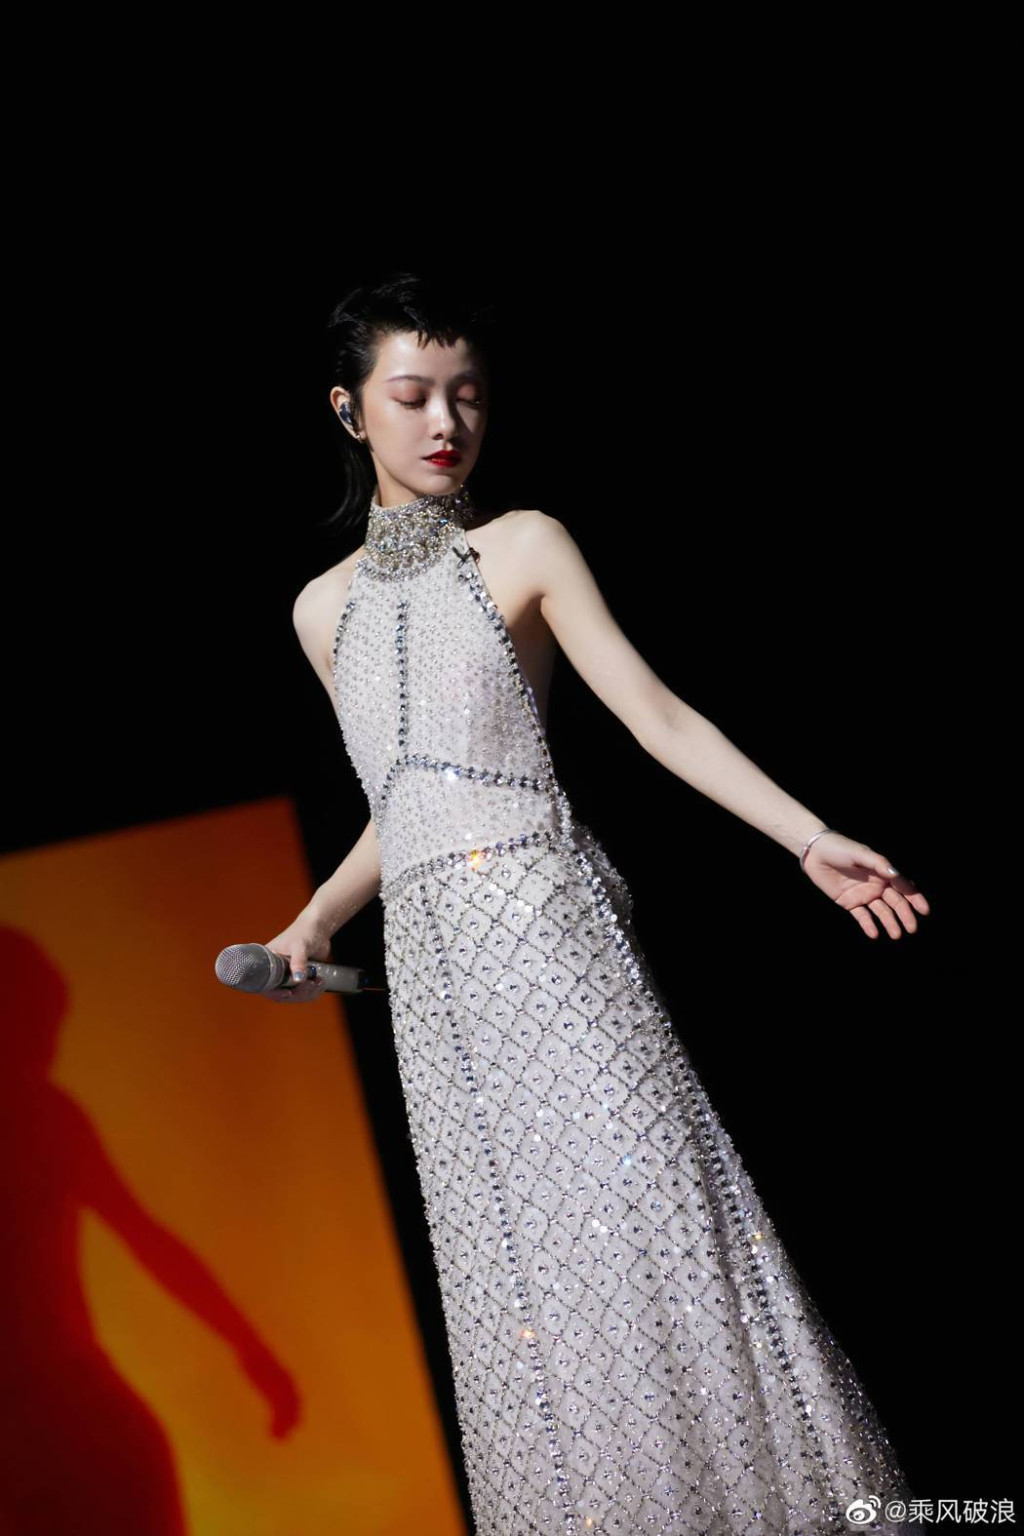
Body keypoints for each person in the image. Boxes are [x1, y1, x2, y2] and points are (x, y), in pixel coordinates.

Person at [264, 272, 929, 1534]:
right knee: (518, 1274)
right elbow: (405, 802)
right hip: (441, 981)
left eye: (467, 394)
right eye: (412, 395)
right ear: (349, 410)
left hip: (548, 931)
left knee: (646, 1217)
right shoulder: (321, 609)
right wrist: (315, 918)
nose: (445, 421)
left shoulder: (523, 545)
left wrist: (806, 836)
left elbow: (656, 715)